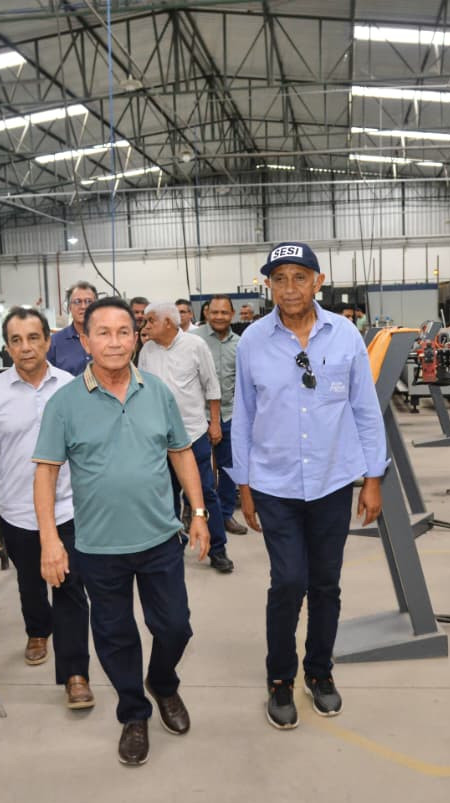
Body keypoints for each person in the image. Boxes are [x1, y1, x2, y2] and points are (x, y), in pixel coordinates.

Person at [32, 297, 210, 767]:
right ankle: (134, 712)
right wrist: (50, 539)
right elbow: (46, 472)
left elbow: (181, 452)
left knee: (175, 626)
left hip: (159, 539)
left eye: (124, 332)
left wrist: (198, 513)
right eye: (103, 333)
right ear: (86, 340)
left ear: (137, 337)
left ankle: (163, 681)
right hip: (98, 546)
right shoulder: (65, 403)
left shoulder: (157, 392)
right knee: (115, 637)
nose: (114, 342)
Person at [230, 242, 387, 730]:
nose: (290, 288)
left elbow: (365, 410)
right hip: (274, 483)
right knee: (288, 582)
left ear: (318, 282)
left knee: (325, 584)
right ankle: (280, 678)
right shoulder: (253, 341)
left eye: (300, 277)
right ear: (268, 286)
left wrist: (373, 479)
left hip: (332, 481)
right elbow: (243, 416)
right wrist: (243, 484)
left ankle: (319, 671)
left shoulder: (345, 335)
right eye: (279, 279)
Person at [0, 306, 93, 708]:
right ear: (7, 347)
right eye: (16, 340)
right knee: (30, 580)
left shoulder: (71, 387)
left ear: (48, 341)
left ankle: (75, 673)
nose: (26, 348)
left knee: (70, 587)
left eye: (33, 338)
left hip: (67, 508)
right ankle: (38, 630)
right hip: (17, 510)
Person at [140, 303, 234, 573]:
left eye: (151, 321)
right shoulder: (147, 351)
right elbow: (141, 389)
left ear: (168, 323)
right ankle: (172, 549)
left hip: (194, 435)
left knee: (204, 493)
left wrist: (214, 423)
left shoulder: (195, 346)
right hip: (159, 439)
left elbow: (212, 387)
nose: (146, 326)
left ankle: (218, 549)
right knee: (166, 496)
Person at [192, 295, 248, 537]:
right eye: (214, 312)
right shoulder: (193, 340)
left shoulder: (241, 344)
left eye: (224, 312)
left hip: (230, 414)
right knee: (197, 468)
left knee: (229, 468)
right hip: (198, 415)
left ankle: (225, 514)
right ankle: (195, 512)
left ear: (232, 315)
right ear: (206, 313)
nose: (219, 317)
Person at [48, 282, 97, 376]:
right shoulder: (54, 343)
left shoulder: (106, 338)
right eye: (77, 301)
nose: (83, 306)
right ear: (69, 307)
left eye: (88, 301)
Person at [130, 297, 150, 365]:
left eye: (143, 312)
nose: (140, 316)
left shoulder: (154, 335)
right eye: (136, 312)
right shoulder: (124, 334)